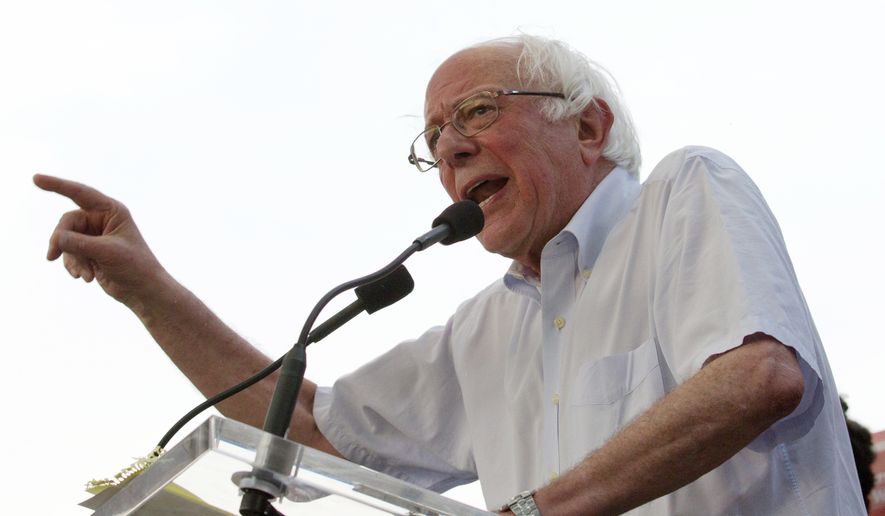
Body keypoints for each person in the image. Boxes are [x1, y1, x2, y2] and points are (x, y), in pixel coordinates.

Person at [35, 34, 866, 514]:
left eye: (476, 111)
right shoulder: (485, 330)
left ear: (588, 125)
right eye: (432, 138)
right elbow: (310, 435)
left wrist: (535, 512)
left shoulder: (683, 194)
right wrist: (147, 289)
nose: (451, 148)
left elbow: (758, 373)